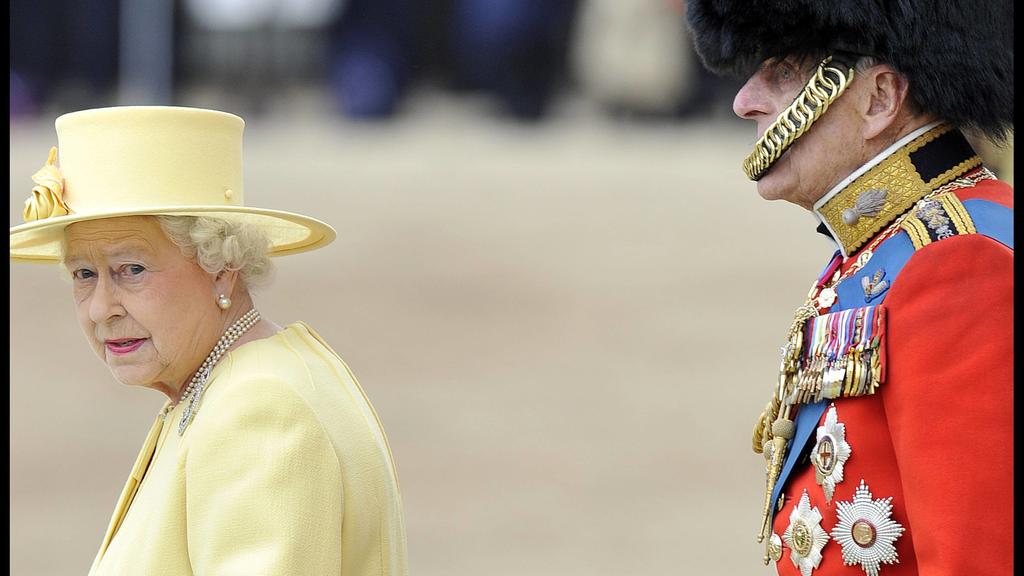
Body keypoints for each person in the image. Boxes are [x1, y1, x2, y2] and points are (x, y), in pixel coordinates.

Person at [9, 106, 409, 576]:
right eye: (84, 274)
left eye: (131, 269)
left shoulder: (260, 412)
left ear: (221, 264)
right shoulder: (235, 382)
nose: (101, 309)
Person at [686, 2, 1012, 575]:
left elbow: (978, 557)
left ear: (880, 97)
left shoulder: (961, 260)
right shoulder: (882, 247)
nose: (745, 101)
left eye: (783, 72)